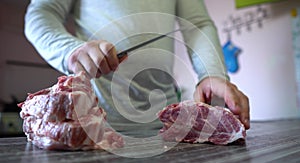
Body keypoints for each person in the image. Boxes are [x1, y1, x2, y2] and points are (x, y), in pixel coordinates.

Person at [24, 0, 250, 132]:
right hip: (96, 125)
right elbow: (42, 12)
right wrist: (70, 51)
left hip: (166, 124)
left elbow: (197, 24)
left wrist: (211, 73)